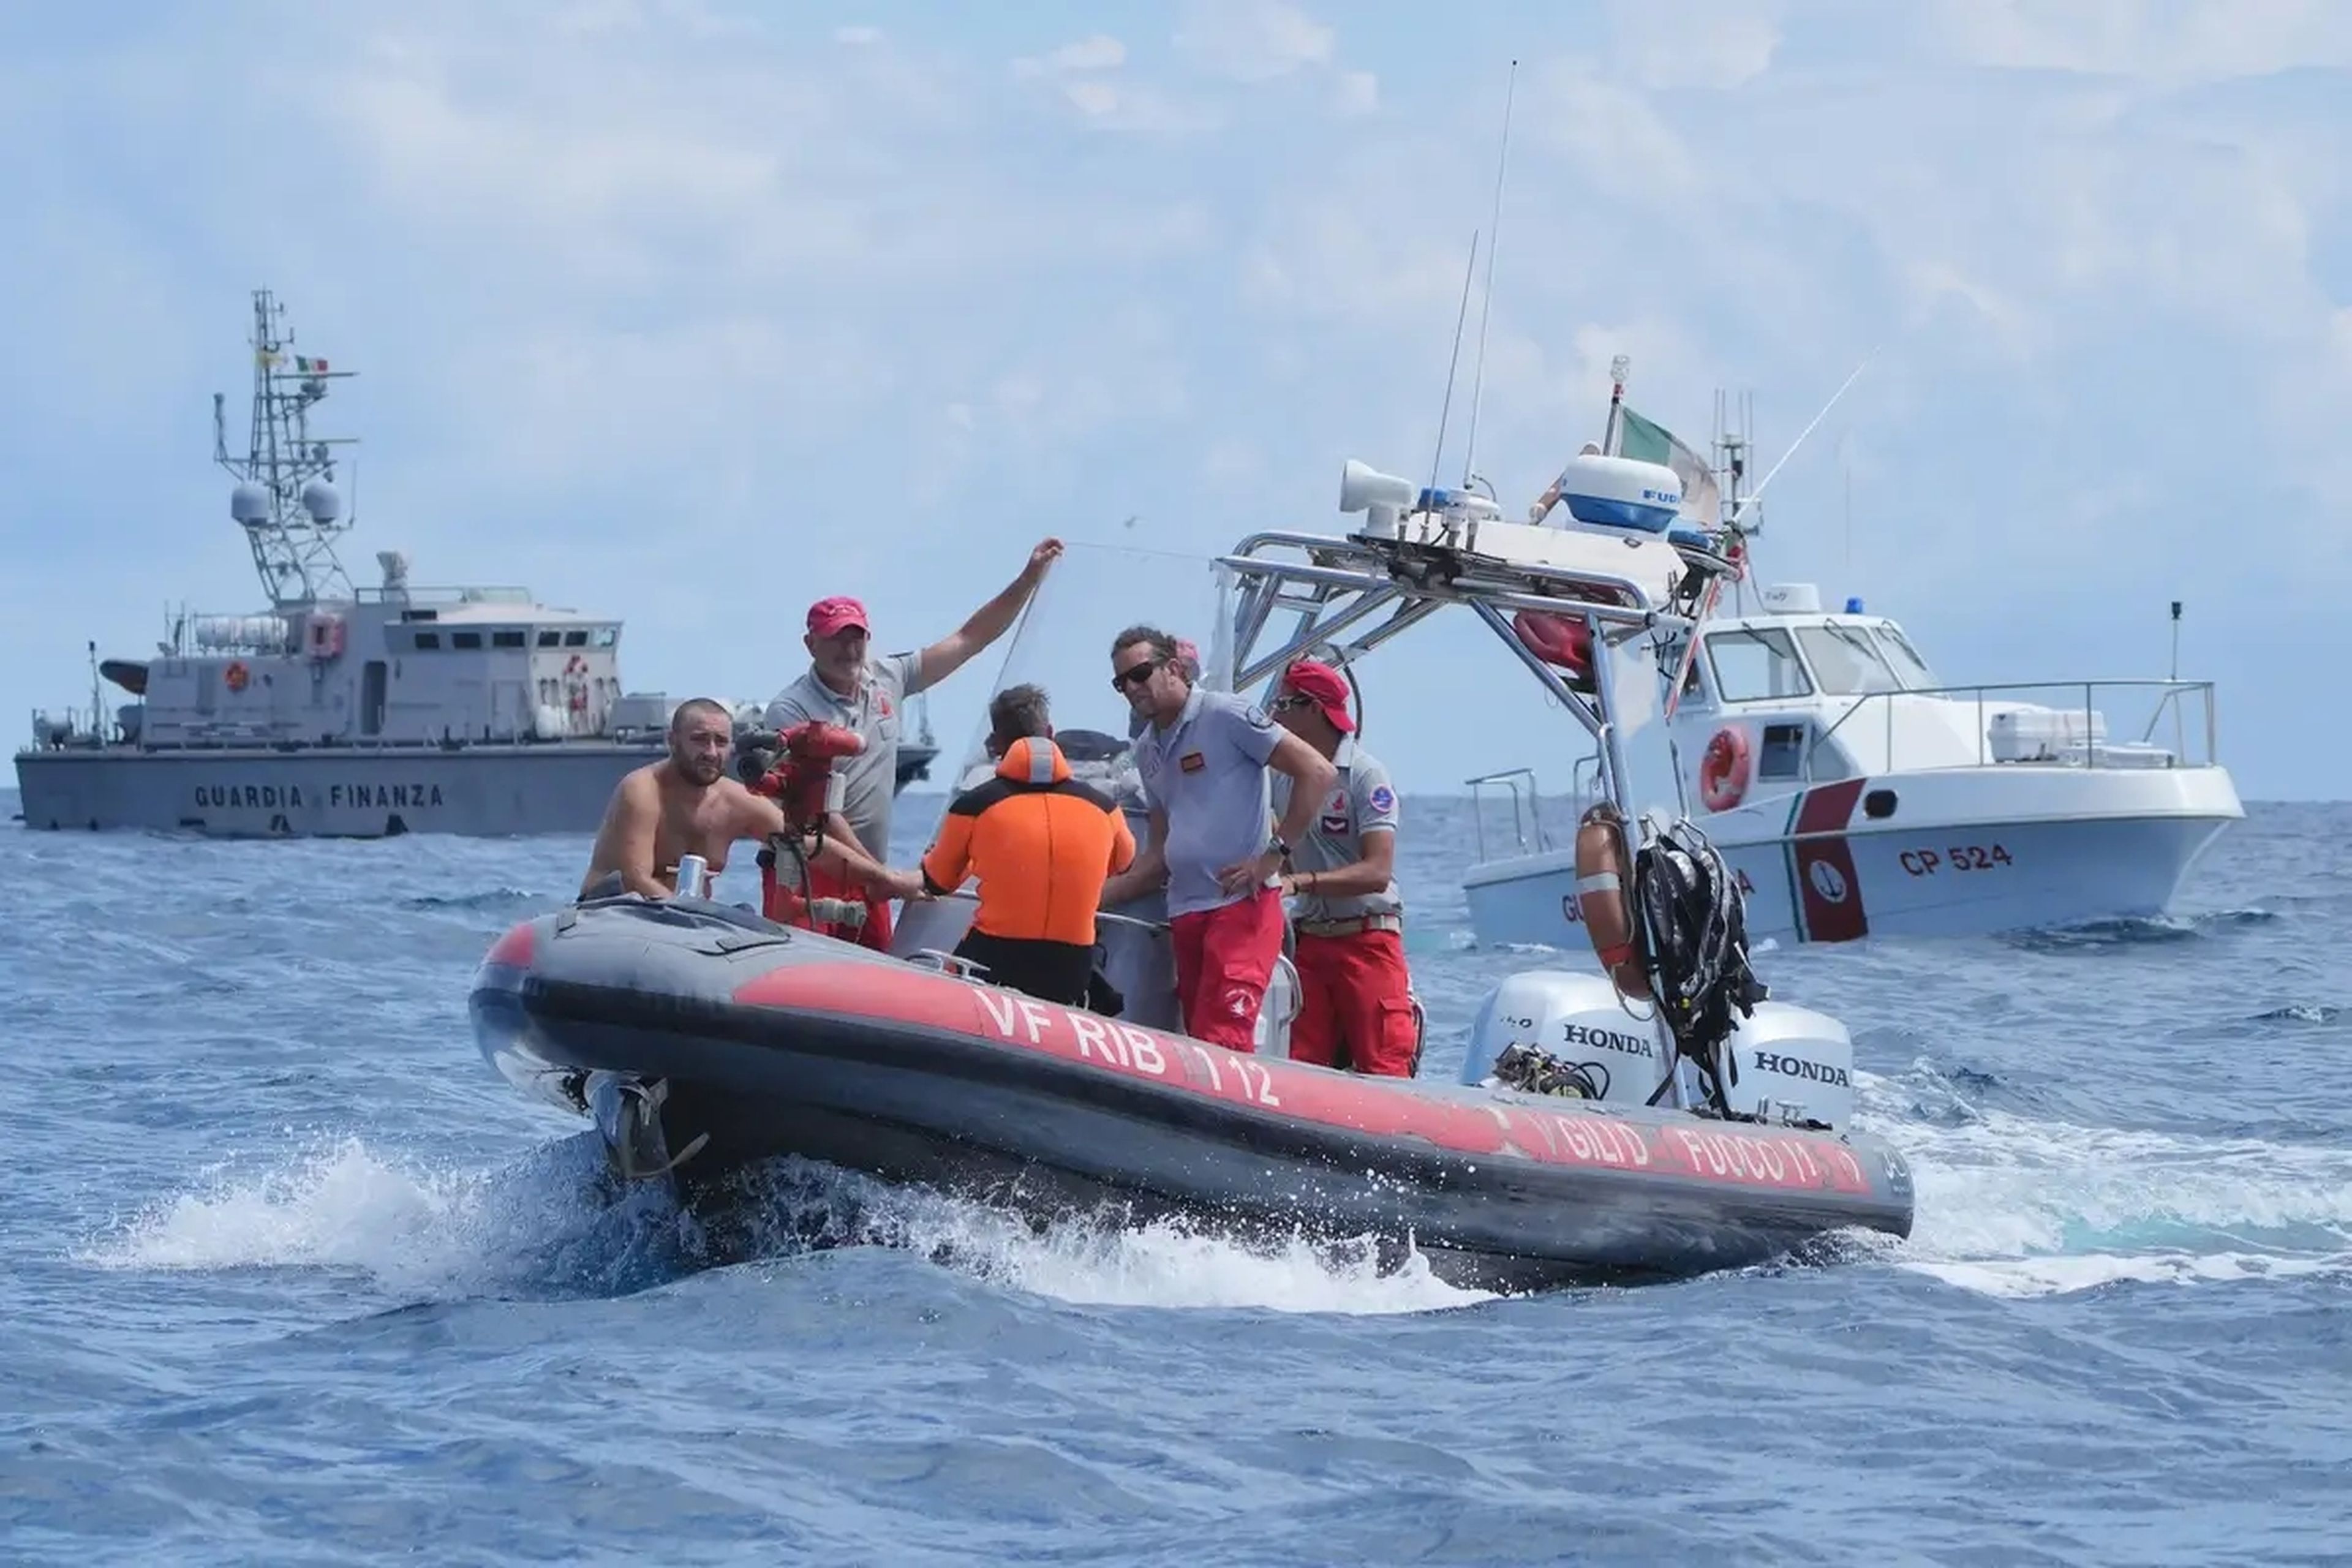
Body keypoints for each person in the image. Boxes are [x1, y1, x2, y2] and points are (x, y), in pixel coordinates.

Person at [763, 538, 1064, 949]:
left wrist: (1027, 580)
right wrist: (885, 878)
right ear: (810, 644)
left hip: (870, 872)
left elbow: (969, 639)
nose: (849, 650)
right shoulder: (791, 709)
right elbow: (818, 810)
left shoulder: (889, 676)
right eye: (835, 639)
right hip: (813, 867)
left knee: (876, 982)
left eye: (857, 638)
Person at [1098, 625, 1336, 1051]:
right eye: (1121, 683)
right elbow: (1158, 854)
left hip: (1240, 906)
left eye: (1140, 674)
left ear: (1174, 668)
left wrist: (1274, 854)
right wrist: (1088, 898)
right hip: (1187, 912)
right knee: (1198, 1038)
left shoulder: (1225, 715)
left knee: (1224, 1040)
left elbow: (1317, 771)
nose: (1131, 689)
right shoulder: (1147, 751)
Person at [913, 684, 1135, 1006]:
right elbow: (1123, 863)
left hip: (995, 961)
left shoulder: (973, 806)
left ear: (997, 742)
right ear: (1050, 732)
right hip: (1070, 970)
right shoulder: (1104, 808)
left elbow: (938, 881)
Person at [579, 698, 914, 903]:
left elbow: (807, 845)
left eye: (720, 742)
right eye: (699, 740)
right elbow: (634, 881)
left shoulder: (734, 800)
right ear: (673, 742)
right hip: (613, 915)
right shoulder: (641, 790)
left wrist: (886, 879)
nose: (711, 752)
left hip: (682, 927)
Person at [1265, 660, 1419, 1077]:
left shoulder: (1366, 777)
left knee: (1385, 1062)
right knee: (1296, 1062)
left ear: (1313, 709)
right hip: (1311, 943)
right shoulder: (1281, 780)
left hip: (1367, 940)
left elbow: (1377, 872)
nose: (1274, 717)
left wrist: (1302, 883)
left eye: (1283, 705)